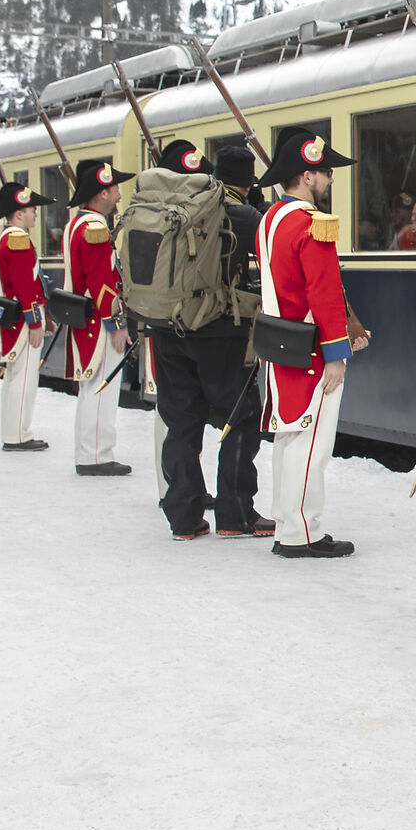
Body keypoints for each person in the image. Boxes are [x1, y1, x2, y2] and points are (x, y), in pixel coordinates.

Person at [154, 145, 270, 540]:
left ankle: (184, 518)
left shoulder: (175, 209)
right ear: (249, 180)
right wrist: (261, 209)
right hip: (220, 332)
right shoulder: (241, 214)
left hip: (167, 327)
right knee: (240, 417)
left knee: (181, 421)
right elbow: (270, 253)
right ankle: (236, 514)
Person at [257, 126, 361, 558]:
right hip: (311, 348)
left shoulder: (272, 218)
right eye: (325, 172)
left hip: (281, 342)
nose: (331, 179)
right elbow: (323, 290)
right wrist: (337, 352)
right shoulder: (311, 224)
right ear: (307, 174)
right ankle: (301, 532)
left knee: (290, 437)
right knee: (311, 441)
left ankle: (288, 522)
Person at [63, 159, 134, 474]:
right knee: (101, 387)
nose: (119, 195)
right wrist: (116, 324)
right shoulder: (94, 228)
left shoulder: (77, 223)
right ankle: (95, 456)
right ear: (102, 192)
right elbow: (102, 284)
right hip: (97, 320)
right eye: (115, 188)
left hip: (86, 319)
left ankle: (90, 452)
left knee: (91, 388)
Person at [0, 184, 51, 452]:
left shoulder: (7, 237)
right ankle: (18, 435)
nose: (35, 214)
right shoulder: (18, 240)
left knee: (16, 377)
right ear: (18, 213)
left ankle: (14, 432)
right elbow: (25, 285)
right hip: (24, 319)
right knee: (24, 378)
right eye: (31, 209)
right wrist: (36, 321)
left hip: (15, 317)